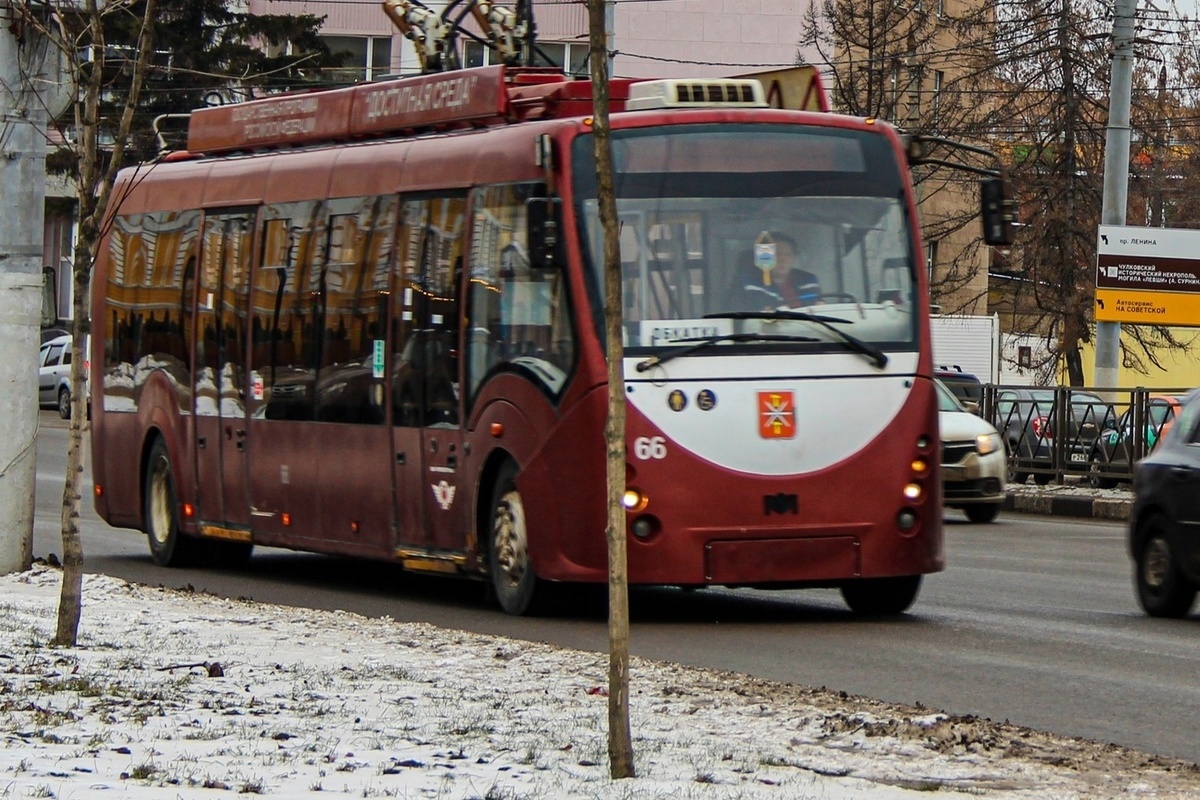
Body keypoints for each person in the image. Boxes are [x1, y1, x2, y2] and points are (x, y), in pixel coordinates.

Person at [735, 232, 820, 311]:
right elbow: (760, 311)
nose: (783, 260)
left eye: (788, 254)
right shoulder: (751, 282)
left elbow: (816, 307)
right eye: (777, 254)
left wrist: (820, 307)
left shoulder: (808, 280)